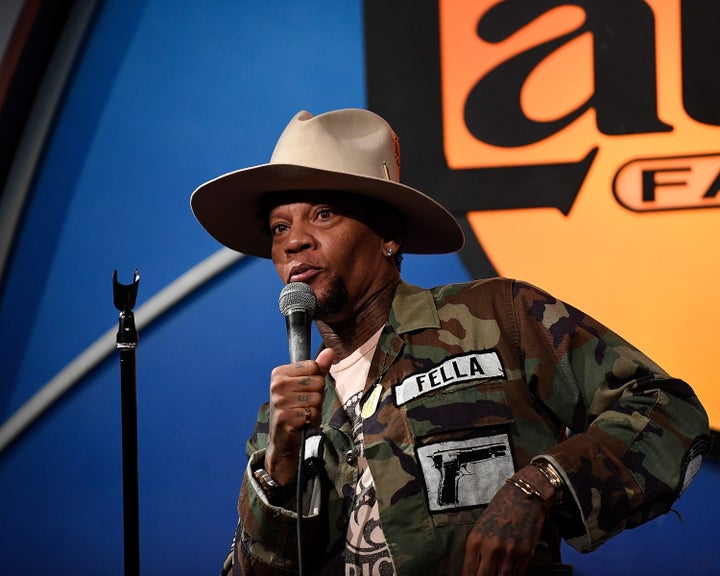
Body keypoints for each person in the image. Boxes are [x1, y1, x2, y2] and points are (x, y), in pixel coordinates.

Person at [190, 108, 711, 576]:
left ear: (389, 234)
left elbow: (669, 412)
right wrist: (279, 462)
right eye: (279, 227)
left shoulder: (496, 316)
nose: (295, 240)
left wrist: (535, 489)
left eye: (323, 213)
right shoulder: (287, 413)